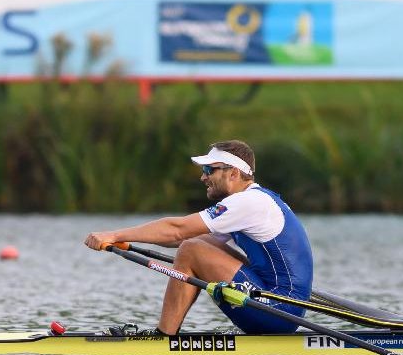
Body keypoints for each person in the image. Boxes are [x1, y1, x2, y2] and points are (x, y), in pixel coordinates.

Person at [83, 140, 313, 336]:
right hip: (279, 307)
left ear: (233, 173)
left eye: (209, 170)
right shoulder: (257, 200)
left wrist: (113, 234)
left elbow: (177, 229)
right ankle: (167, 334)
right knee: (199, 243)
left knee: (191, 249)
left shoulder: (248, 202)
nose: (203, 177)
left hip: (278, 311)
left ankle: (164, 337)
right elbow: (176, 238)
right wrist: (124, 240)